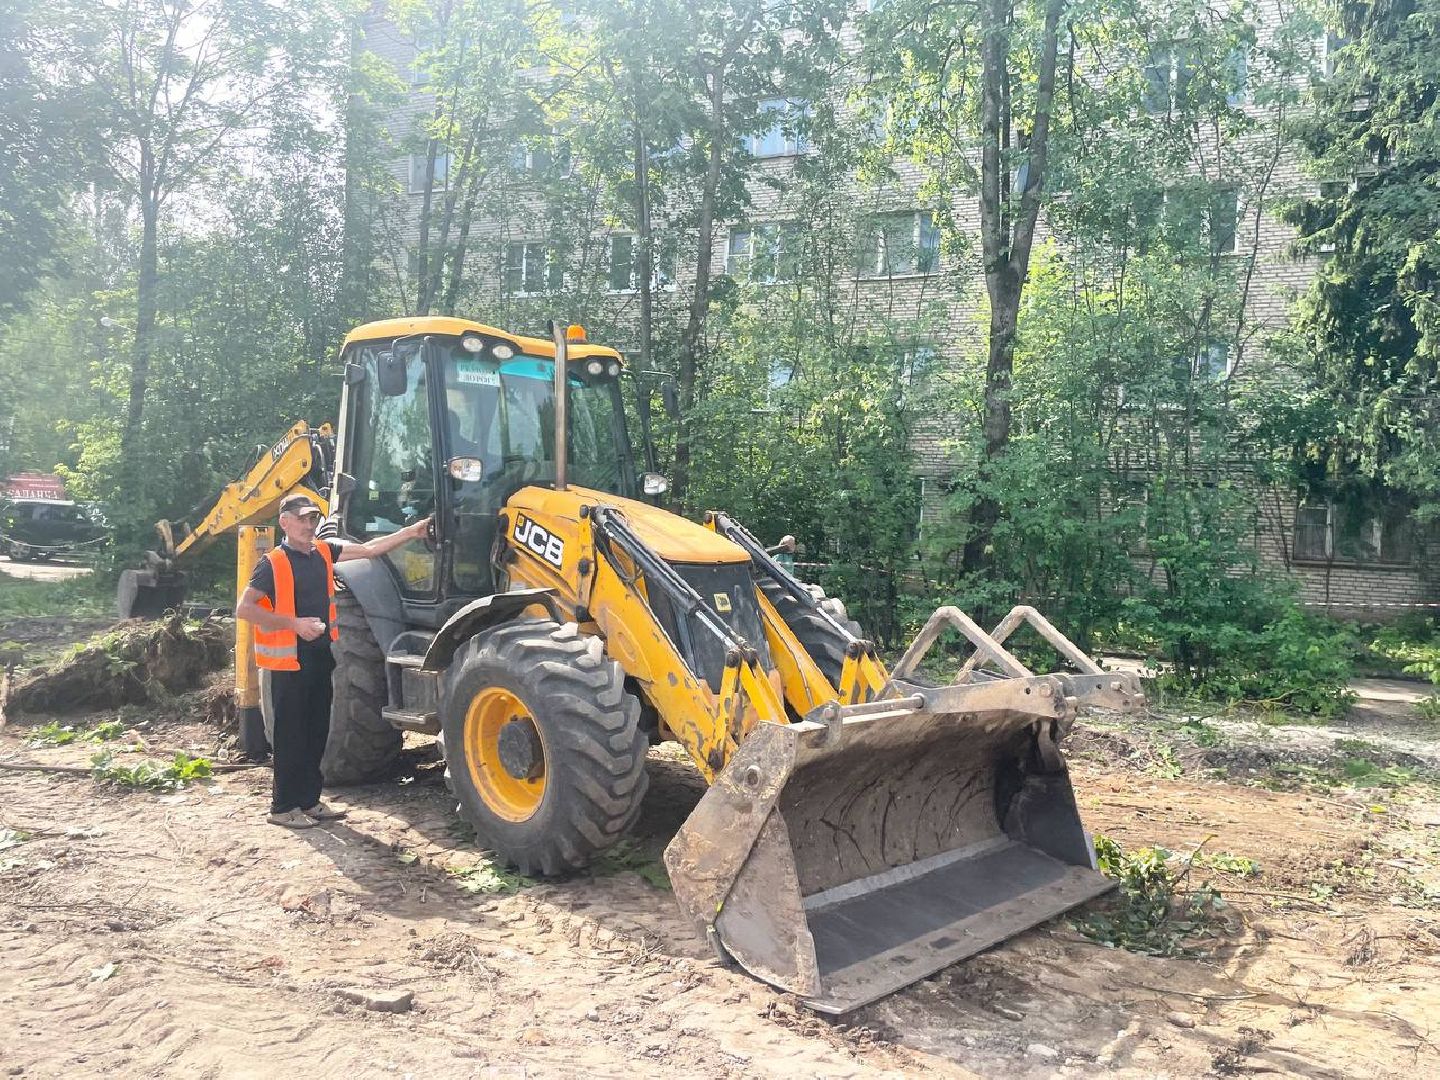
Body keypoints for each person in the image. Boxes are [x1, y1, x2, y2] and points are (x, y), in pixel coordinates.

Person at [236, 494, 430, 828]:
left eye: (313, 519)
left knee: (316, 733)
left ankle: (310, 801)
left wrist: (411, 531)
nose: (309, 525)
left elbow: (371, 549)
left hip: (320, 656)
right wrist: (295, 625)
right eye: (302, 519)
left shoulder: (324, 552)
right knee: (290, 736)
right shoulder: (273, 563)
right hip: (288, 662)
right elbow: (245, 609)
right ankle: (282, 808)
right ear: (285, 522)